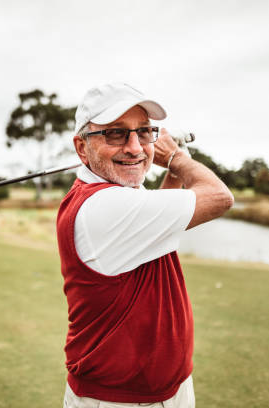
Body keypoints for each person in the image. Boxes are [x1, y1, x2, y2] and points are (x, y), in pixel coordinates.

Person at [56, 83, 234, 408]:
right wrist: (176, 158)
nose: (136, 147)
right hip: (119, 399)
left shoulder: (119, 196)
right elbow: (220, 197)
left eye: (144, 132)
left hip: (165, 388)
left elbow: (160, 219)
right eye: (116, 134)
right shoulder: (104, 206)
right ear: (82, 148)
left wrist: (175, 165)